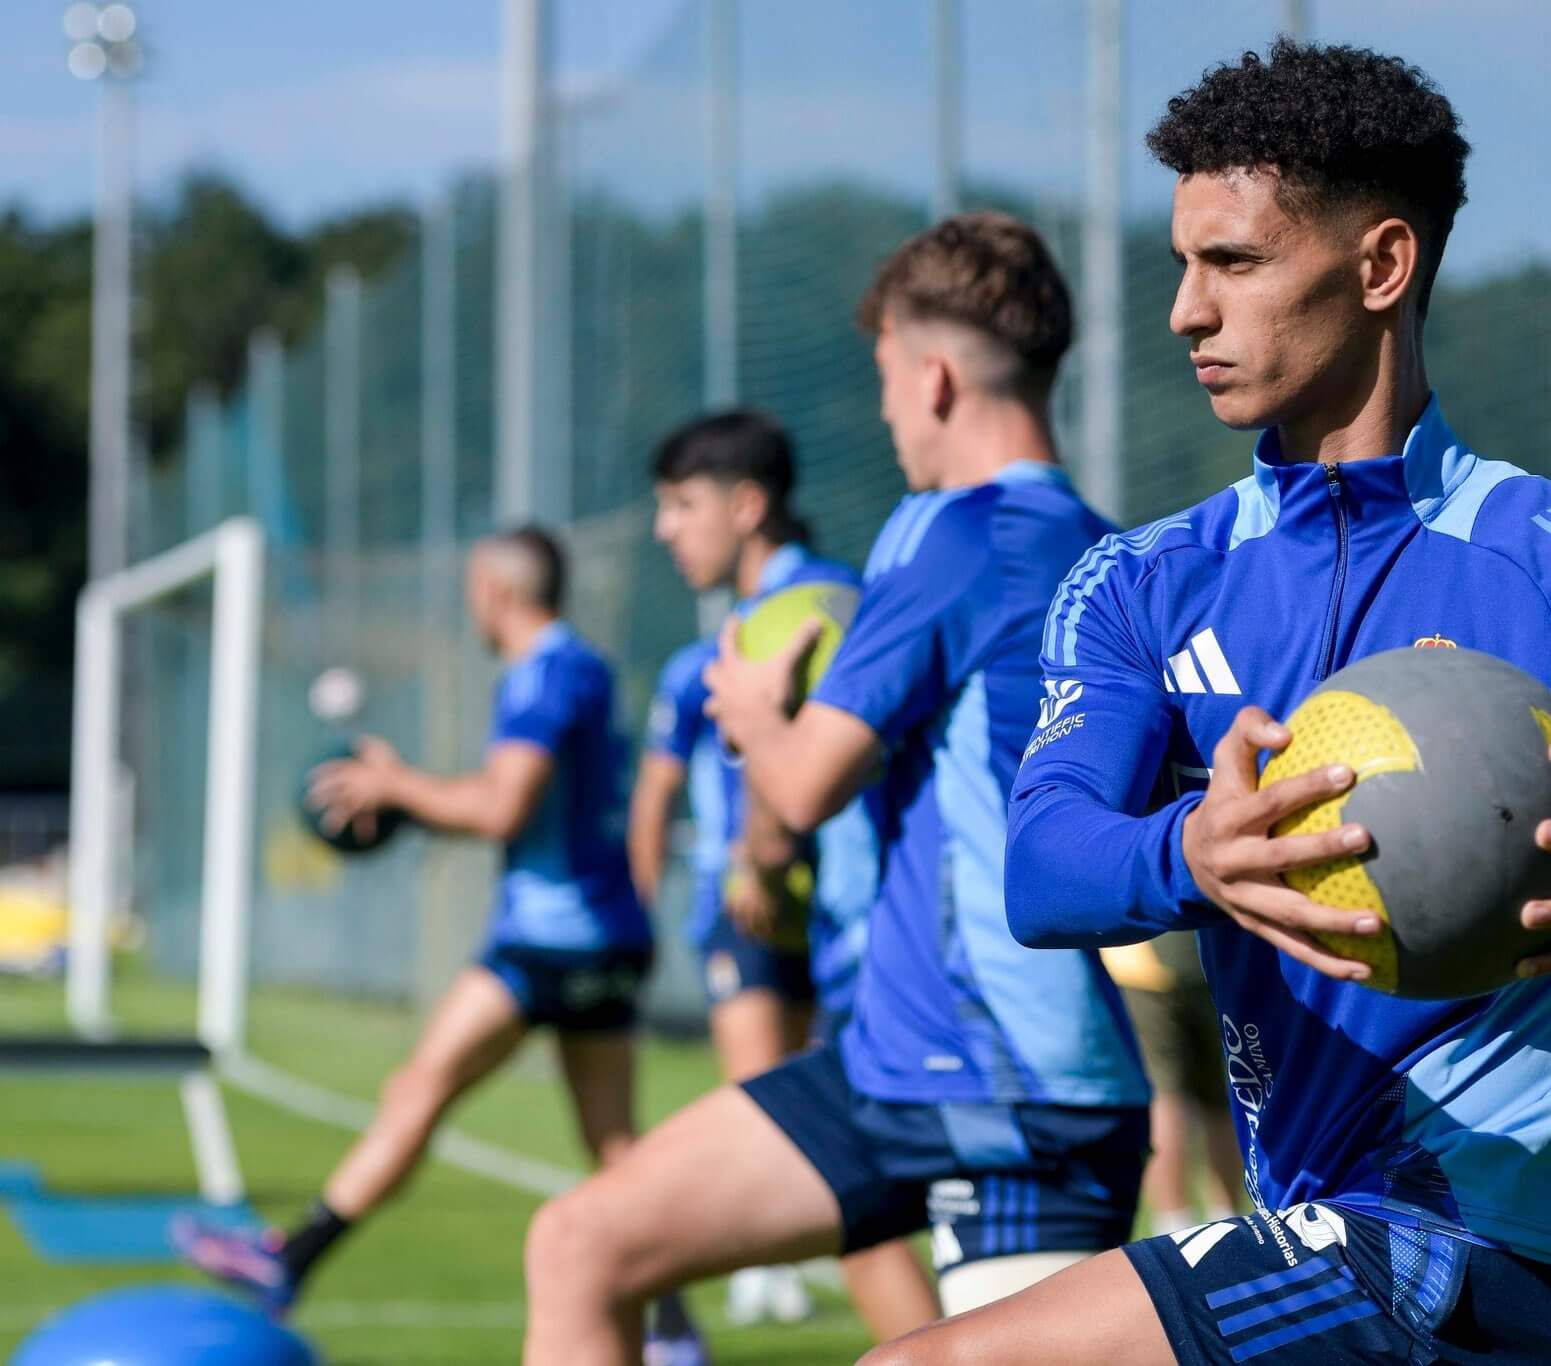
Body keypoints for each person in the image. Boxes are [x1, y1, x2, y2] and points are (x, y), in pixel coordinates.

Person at [867, 39, 1551, 1365]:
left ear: (1381, 265)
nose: (1184, 311)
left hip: (1483, 1250)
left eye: (1232, 262)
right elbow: (1043, 867)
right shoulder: (1143, 583)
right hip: (1318, 1228)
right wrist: (1192, 853)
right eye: (1181, 263)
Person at [520, 212, 1152, 1366]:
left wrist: (754, 714)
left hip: (1008, 1090)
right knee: (579, 1241)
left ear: (934, 376)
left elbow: (804, 784)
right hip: (904, 1063)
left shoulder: (947, 534)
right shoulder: (1121, 554)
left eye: (884, 379)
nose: (885, 413)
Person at [174, 527, 703, 1364]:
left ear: (496, 590)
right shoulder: (583, 667)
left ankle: (290, 1262)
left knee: (419, 1087)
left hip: (552, 941)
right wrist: (410, 798)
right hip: (604, 934)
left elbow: (501, 807)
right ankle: (673, 1331)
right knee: (614, 1149)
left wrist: (395, 786)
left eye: (471, 587)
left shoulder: (543, 675)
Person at [631, 409, 936, 1335]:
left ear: (748, 506)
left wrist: (756, 856)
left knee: (828, 1175)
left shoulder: (797, 616)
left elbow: (795, 782)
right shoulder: (828, 598)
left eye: (682, 505)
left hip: (832, 926)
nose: (665, 529)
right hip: (854, 924)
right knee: (856, 1191)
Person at [1098, 934, 1243, 1236]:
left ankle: (1175, 1227)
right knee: (1224, 1093)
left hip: (1143, 963)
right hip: (1212, 958)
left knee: (1164, 1095)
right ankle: (1228, 1222)